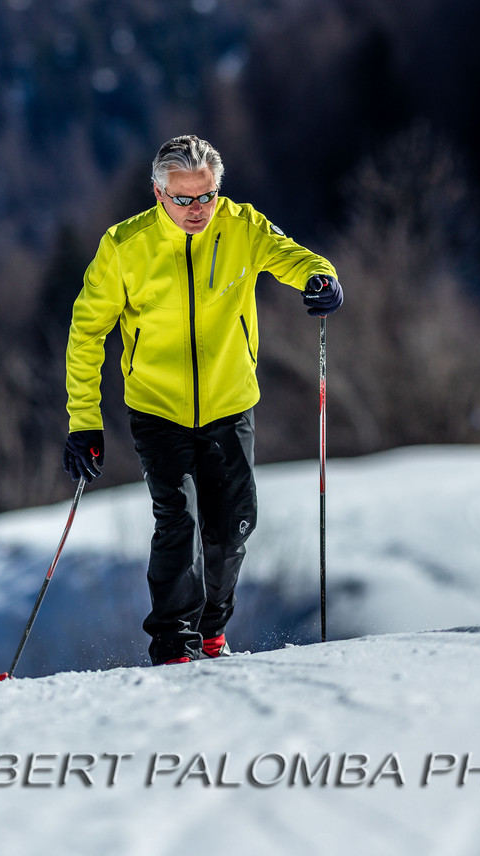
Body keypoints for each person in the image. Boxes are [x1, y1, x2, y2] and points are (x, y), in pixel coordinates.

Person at [62, 134, 343, 665]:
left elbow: (295, 257)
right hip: (157, 408)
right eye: (183, 198)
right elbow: (86, 332)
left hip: (230, 403)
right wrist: (84, 422)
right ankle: (173, 645)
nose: (197, 210)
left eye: (206, 196)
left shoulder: (243, 227)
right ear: (157, 193)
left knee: (234, 524)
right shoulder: (125, 246)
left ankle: (212, 630)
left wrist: (320, 278)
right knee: (180, 522)